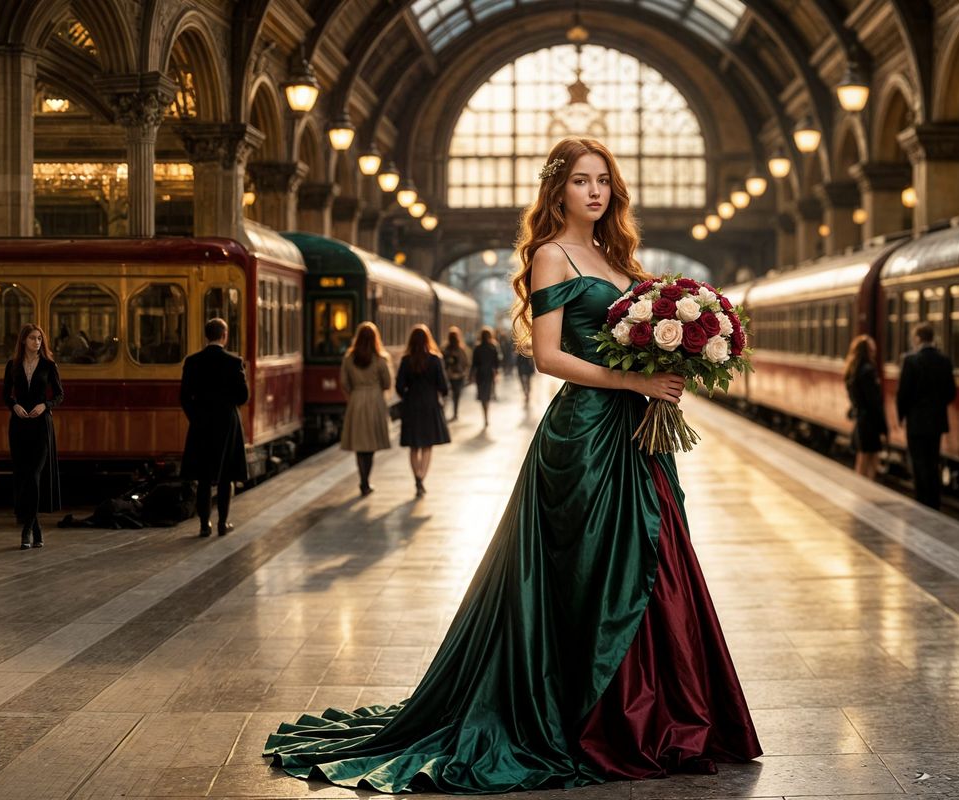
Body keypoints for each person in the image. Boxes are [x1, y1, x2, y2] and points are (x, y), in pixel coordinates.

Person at [265, 136, 760, 793]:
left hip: (640, 438)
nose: (594, 191)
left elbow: (631, 344)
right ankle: (589, 718)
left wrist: (672, 366)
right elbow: (549, 358)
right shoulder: (552, 256)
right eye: (580, 180)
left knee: (657, 560)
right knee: (589, 574)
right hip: (583, 436)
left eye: (603, 180)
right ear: (557, 190)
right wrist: (633, 384)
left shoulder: (619, 257)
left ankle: (662, 717)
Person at [180, 318, 248, 537]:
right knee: (226, 475)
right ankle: (223, 523)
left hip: (201, 424)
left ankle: (204, 525)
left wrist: (195, 417)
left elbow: (183, 397)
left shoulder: (192, 362)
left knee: (203, 477)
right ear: (224, 335)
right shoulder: (234, 362)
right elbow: (243, 396)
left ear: (206, 336)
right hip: (228, 424)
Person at [4, 324, 63, 549]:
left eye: (39, 338)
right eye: (32, 338)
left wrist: (45, 405)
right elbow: (5, 394)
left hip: (41, 426)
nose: (37, 342)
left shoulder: (49, 365)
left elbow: (59, 394)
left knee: (34, 475)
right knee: (23, 476)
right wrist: (14, 406)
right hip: (19, 426)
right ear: (23, 341)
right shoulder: (13, 365)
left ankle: (26, 530)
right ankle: (36, 528)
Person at [895, 322, 957, 509]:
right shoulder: (944, 360)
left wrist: (902, 415)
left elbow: (903, 393)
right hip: (937, 421)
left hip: (916, 421)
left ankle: (922, 500)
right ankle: (934, 501)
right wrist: (937, 406)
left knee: (918, 461)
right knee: (932, 460)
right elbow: (951, 392)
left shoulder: (911, 361)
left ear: (918, 338)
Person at [396, 325, 451, 497]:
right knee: (427, 445)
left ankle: (417, 479)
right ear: (428, 340)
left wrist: (408, 393)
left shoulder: (406, 361)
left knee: (414, 446)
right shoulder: (435, 360)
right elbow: (443, 386)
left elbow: (399, 386)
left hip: (411, 406)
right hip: (430, 406)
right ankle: (421, 478)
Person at [340, 321, 390, 496]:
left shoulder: (348, 359)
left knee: (360, 444)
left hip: (356, 401)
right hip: (375, 402)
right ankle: (366, 481)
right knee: (371, 445)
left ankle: (362, 480)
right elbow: (387, 383)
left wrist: (355, 392)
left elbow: (344, 383)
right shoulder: (380, 359)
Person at [844, 334, 887, 479]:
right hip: (870, 421)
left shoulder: (852, 371)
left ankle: (861, 485)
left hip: (860, 419)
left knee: (862, 455)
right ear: (868, 350)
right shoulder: (868, 371)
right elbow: (874, 401)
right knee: (871, 457)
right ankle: (867, 486)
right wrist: (883, 426)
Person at [470, 327, 501, 428]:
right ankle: (486, 414)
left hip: (480, 374)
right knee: (487, 395)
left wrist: (471, 375)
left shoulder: (477, 348)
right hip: (489, 374)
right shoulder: (493, 347)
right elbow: (497, 362)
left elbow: (474, 363)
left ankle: (485, 414)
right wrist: (496, 372)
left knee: (482, 395)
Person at [442, 326, 471, 421]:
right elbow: (466, 363)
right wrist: (463, 373)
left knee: (447, 395)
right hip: (458, 376)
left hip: (449, 375)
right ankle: (455, 413)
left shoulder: (445, 349)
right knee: (456, 395)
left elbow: (442, 363)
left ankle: (445, 412)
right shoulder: (461, 349)